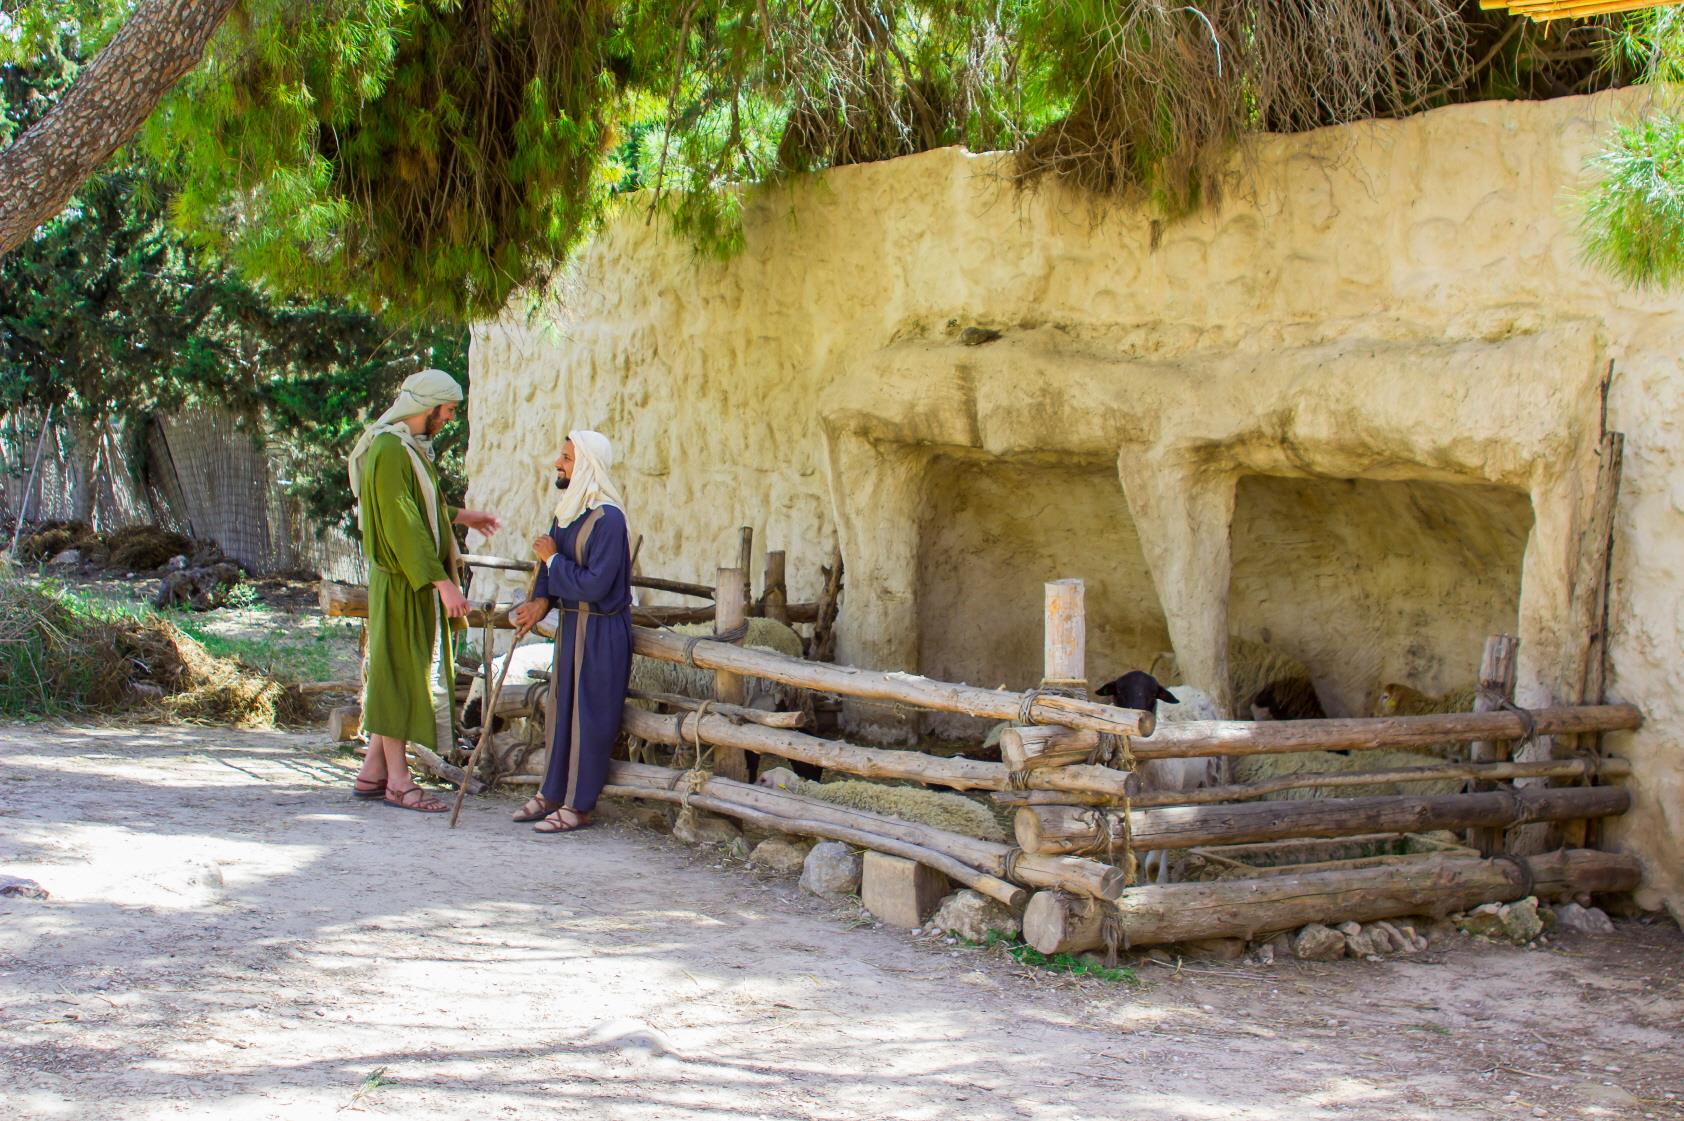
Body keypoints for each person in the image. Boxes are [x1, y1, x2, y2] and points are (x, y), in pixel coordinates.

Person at [346, 369, 502, 812]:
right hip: (403, 582)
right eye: (448, 410)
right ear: (428, 407)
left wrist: (465, 517)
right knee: (399, 676)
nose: (450, 417)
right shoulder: (390, 449)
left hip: (409, 581)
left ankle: (373, 772)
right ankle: (399, 781)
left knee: (403, 670)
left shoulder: (405, 449)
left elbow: (422, 505)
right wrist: (441, 582)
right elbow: (404, 522)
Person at [509, 430, 633, 834]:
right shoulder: (566, 513)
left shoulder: (609, 519)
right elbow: (548, 570)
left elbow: (595, 585)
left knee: (591, 717)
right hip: (571, 628)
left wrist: (554, 559)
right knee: (561, 712)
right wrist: (540, 603)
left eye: (566, 458)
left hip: (601, 633)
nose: (557, 465)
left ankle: (579, 806)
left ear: (587, 465)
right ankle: (551, 793)